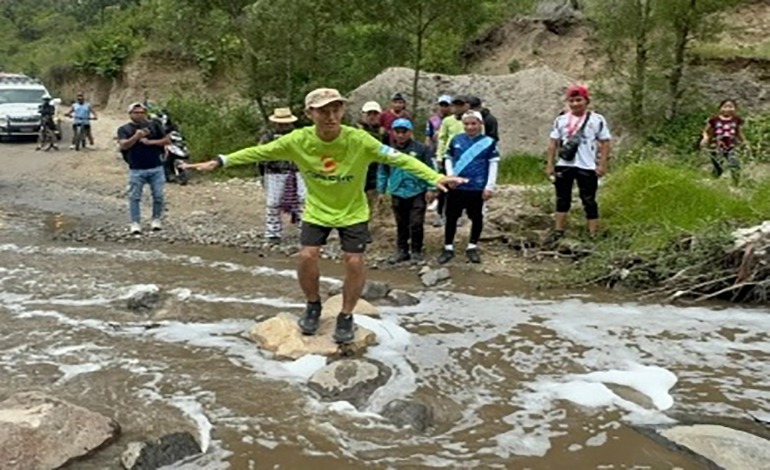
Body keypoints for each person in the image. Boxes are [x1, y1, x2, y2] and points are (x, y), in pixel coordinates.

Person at [183, 88, 465, 344]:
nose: (331, 116)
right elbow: (259, 152)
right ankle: (313, 305)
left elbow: (399, 158)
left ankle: (346, 314)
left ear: (342, 111)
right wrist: (220, 161)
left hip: (352, 211)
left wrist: (435, 177)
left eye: (336, 109)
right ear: (310, 114)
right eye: (323, 111)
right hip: (317, 210)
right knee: (307, 255)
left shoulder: (359, 139)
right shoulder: (298, 140)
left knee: (354, 261)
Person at [545, 84, 612, 240]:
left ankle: (592, 233)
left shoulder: (597, 120)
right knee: (562, 198)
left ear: (586, 101)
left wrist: (602, 164)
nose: (575, 104)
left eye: (578, 100)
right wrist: (550, 164)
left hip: (587, 165)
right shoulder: (561, 120)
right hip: (565, 164)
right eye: (572, 100)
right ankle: (558, 231)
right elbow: (553, 143)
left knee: (589, 200)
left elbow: (605, 143)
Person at [439, 111, 499, 265]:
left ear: (480, 124)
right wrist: (450, 177)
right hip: (457, 187)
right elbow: (448, 158)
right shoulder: (456, 140)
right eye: (467, 124)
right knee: (451, 217)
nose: (470, 127)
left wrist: (489, 186)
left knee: (477, 217)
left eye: (474, 124)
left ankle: (472, 246)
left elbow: (493, 164)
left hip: (477, 186)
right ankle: (448, 247)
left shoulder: (488, 142)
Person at [377, 118, 436, 264]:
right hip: (397, 190)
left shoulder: (422, 149)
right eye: (397, 132)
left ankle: (416, 251)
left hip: (417, 190)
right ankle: (402, 250)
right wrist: (381, 190)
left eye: (404, 132)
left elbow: (431, 169)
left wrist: (431, 188)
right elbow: (382, 171)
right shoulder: (387, 151)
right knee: (401, 223)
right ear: (393, 132)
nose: (401, 135)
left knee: (416, 222)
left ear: (410, 132)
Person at [117, 102, 171, 235]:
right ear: (130, 114)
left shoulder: (155, 125)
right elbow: (123, 145)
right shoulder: (124, 129)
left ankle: (156, 219)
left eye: (142, 112)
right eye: (136, 113)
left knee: (158, 196)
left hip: (156, 167)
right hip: (136, 168)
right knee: (134, 197)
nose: (140, 115)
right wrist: (136, 137)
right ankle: (135, 222)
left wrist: (150, 142)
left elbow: (167, 140)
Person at [259, 107, 306, 243]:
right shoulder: (268, 137)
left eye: (285, 123)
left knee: (303, 200)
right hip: (274, 172)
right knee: (273, 203)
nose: (283, 125)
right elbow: (260, 154)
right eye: (280, 123)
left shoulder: (299, 135)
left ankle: (305, 231)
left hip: (299, 171)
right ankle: (273, 233)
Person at [434, 95, 469, 227]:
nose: (458, 108)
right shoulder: (447, 121)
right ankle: (439, 213)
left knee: (461, 186)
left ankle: (458, 214)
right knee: (444, 186)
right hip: (448, 157)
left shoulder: (468, 121)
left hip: (463, 157)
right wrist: (439, 156)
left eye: (461, 105)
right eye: (456, 105)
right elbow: (442, 138)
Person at [700, 99, 745, 183]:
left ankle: (735, 184)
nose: (728, 109)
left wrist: (744, 142)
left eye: (731, 107)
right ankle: (712, 182)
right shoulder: (714, 120)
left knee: (735, 164)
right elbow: (706, 131)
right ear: (720, 108)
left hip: (731, 146)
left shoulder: (736, 120)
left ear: (735, 108)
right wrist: (705, 138)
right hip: (716, 146)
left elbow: (739, 133)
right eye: (725, 107)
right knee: (718, 167)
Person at [357, 101, 387, 205]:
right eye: (369, 113)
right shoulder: (355, 131)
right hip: (359, 172)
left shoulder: (384, 134)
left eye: (375, 114)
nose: (372, 116)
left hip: (377, 173)